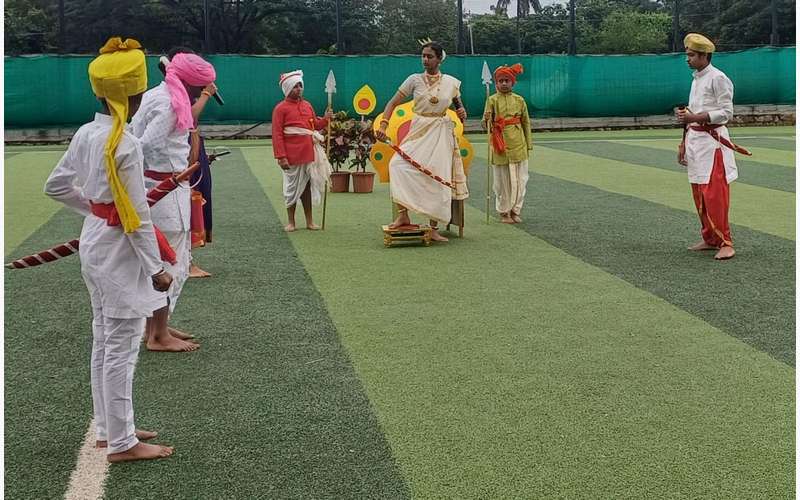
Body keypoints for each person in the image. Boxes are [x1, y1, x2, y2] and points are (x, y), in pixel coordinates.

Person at [44, 37, 174, 462]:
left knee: (104, 338)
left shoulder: (87, 133)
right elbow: (136, 214)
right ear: (134, 96)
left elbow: (56, 185)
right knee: (120, 342)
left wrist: (99, 209)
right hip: (118, 249)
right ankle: (122, 442)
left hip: (95, 239)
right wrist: (157, 268)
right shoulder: (125, 144)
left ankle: (110, 428)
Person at [131, 52, 217, 351]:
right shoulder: (169, 104)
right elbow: (143, 145)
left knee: (159, 262)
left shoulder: (159, 94)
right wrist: (168, 174)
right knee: (172, 265)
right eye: (201, 87)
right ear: (191, 85)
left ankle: (155, 326)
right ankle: (157, 335)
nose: (202, 91)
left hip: (159, 187)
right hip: (164, 191)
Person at [375, 40, 469, 242]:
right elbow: (391, 103)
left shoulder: (451, 82)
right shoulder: (414, 80)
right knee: (397, 165)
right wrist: (383, 124)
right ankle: (403, 215)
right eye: (423, 56)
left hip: (440, 133)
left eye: (430, 56)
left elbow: (458, 104)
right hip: (418, 130)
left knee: (437, 175)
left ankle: (433, 227)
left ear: (439, 59)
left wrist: (461, 111)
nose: (425, 60)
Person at [677, 33, 742, 261]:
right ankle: (710, 238)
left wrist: (696, 116)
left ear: (704, 56)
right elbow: (693, 115)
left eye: (692, 55)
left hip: (713, 144)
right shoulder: (696, 78)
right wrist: (683, 142)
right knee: (699, 194)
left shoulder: (718, 78)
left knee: (715, 195)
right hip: (696, 142)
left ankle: (726, 242)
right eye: (688, 55)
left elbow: (726, 113)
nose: (688, 59)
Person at [159, 48, 216, 279]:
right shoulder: (173, 93)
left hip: (193, 145)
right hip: (179, 156)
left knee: (199, 196)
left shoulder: (186, 91)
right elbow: (189, 118)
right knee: (187, 202)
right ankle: (183, 260)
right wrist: (206, 95)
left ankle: (187, 256)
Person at [271, 70, 333, 232]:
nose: (299, 89)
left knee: (307, 186)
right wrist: (281, 156)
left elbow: (315, 126)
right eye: (295, 86)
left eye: (300, 85)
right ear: (287, 89)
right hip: (291, 155)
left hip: (308, 152)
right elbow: (277, 134)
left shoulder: (307, 105)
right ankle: (291, 222)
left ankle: (309, 221)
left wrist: (326, 119)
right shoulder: (280, 108)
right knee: (290, 188)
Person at [482, 63, 531, 224]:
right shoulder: (491, 100)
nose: (504, 83)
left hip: (518, 143)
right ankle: (504, 212)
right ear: (496, 83)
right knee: (502, 181)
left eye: (506, 80)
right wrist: (487, 119)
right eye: (500, 81)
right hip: (499, 143)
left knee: (520, 179)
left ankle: (515, 210)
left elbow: (526, 122)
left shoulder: (519, 100)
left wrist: (528, 143)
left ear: (512, 82)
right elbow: (485, 124)